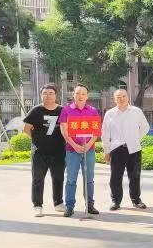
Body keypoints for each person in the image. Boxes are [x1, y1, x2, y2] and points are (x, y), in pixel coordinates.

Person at [103, 88, 150, 211]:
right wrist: (106, 151)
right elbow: (105, 134)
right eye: (118, 97)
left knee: (135, 176)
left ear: (128, 97)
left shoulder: (136, 111)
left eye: (123, 96)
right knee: (115, 177)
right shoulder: (110, 114)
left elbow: (145, 127)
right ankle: (115, 201)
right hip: (116, 149)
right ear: (114, 99)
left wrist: (135, 138)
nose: (121, 99)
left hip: (134, 148)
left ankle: (136, 200)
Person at [23, 84, 66, 217]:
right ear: (41, 95)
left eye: (51, 93)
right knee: (38, 179)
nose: (48, 96)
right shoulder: (36, 110)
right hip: (39, 153)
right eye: (45, 93)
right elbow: (26, 129)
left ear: (56, 95)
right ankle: (37, 205)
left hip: (58, 152)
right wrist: (37, 141)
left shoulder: (63, 110)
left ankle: (58, 203)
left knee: (58, 178)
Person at [59, 84, 101, 217]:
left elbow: (96, 131)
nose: (80, 96)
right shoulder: (66, 110)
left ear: (87, 96)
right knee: (71, 179)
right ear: (73, 95)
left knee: (89, 179)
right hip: (72, 151)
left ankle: (90, 205)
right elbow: (64, 130)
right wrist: (74, 145)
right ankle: (69, 206)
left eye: (83, 94)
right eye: (77, 93)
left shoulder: (93, 111)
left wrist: (88, 145)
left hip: (89, 150)